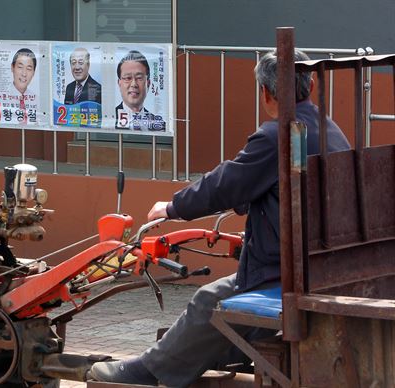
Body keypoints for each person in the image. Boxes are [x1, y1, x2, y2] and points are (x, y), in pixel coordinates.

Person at [89, 49, 350, 387]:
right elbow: (272, 185)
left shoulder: (279, 135)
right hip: (323, 262)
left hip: (287, 271)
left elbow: (226, 182)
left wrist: (172, 208)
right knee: (219, 299)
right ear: (311, 84)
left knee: (208, 300)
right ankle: (202, 353)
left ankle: (151, 371)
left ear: (266, 93)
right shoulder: (328, 128)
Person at [115, 50, 165, 131]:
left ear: (148, 83)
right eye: (128, 78)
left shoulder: (159, 125)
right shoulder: (106, 120)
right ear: (119, 83)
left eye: (139, 78)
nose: (134, 84)